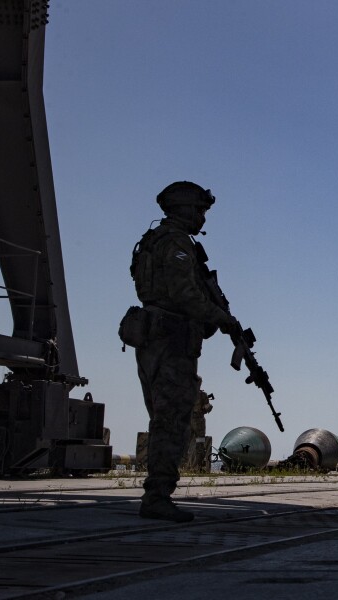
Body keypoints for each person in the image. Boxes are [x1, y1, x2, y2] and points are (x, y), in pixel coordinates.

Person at [130, 181, 235, 522]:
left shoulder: (153, 241)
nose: (203, 218)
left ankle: (157, 494)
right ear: (184, 209)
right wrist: (222, 318)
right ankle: (157, 496)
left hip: (154, 337)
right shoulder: (175, 243)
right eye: (199, 211)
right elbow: (183, 294)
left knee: (164, 418)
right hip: (171, 340)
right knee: (173, 420)